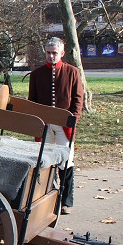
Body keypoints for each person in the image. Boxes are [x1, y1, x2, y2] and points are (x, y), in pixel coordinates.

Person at [28, 37, 83, 215]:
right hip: (44, 125)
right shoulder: (37, 74)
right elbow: (32, 101)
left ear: (62, 53)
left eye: (55, 53)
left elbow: (78, 99)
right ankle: (47, 198)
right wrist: (36, 120)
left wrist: (72, 119)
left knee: (65, 162)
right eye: (48, 52)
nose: (51, 56)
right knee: (43, 161)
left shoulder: (72, 72)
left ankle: (65, 201)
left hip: (64, 125)